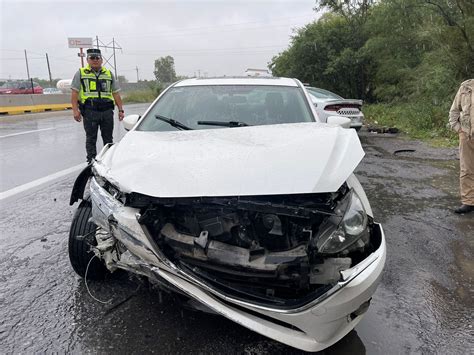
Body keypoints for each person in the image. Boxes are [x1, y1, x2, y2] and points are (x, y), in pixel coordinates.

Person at [71, 48, 125, 163]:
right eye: (92, 58)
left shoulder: (109, 74)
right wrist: (75, 111)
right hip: (90, 111)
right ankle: (91, 162)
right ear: (87, 59)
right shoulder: (80, 73)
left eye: (97, 58)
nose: (95, 60)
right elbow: (74, 93)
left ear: (101, 60)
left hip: (106, 111)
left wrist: (121, 110)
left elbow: (116, 94)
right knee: (91, 139)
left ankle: (108, 161)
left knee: (108, 139)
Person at [449, 79, 474, 214]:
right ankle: (469, 202)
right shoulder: (465, 87)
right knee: (467, 170)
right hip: (467, 135)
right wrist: (459, 129)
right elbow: (454, 111)